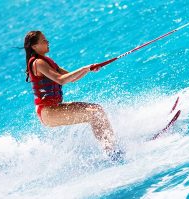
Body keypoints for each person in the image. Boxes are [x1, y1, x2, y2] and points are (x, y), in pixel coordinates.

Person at [24, 30, 122, 160]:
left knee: (97, 109)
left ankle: (113, 149)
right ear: (34, 46)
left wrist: (89, 69)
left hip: (53, 109)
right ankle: (112, 153)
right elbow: (61, 80)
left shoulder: (46, 61)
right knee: (94, 114)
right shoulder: (38, 63)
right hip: (48, 113)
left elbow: (72, 78)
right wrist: (84, 69)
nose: (47, 42)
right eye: (43, 40)